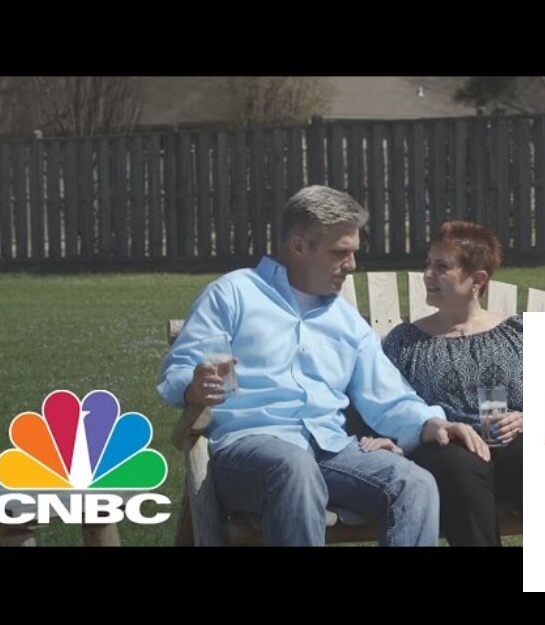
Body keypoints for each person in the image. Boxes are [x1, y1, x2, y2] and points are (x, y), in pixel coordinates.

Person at [157, 186, 489, 547]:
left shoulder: (345, 319)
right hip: (250, 451)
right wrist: (193, 386)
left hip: (331, 450)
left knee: (415, 483)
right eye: (340, 252)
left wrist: (429, 422)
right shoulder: (233, 294)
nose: (352, 264)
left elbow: (387, 395)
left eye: (353, 251)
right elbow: (181, 368)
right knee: (294, 467)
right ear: (299, 247)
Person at [381, 221, 522, 546]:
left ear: (478, 280)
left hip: (510, 443)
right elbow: (385, 403)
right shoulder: (405, 342)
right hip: (445, 448)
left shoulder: (517, 333)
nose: (428, 275)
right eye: (428, 264)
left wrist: (527, 419)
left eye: (442, 267)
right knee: (458, 468)